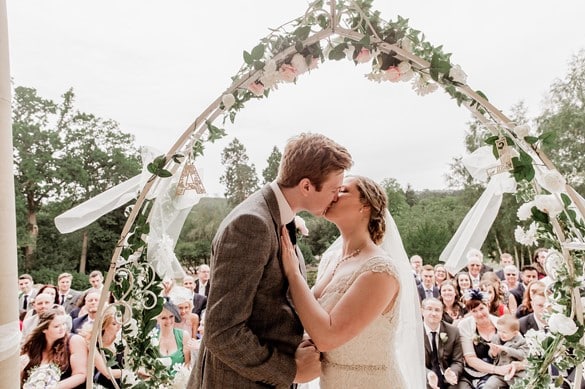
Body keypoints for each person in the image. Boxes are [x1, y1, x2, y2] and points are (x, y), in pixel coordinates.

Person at [189, 133, 352, 388]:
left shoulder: (280, 216)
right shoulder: (251, 224)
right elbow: (223, 332)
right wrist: (290, 371)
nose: (335, 197)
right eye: (333, 190)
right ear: (306, 186)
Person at [281, 175, 425, 387]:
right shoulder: (331, 260)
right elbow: (309, 317)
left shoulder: (380, 270)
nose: (333, 194)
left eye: (343, 190)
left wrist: (293, 274)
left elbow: (327, 337)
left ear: (365, 205)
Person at [20, 308, 87, 388]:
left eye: (64, 324)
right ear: (44, 329)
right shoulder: (35, 345)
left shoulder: (74, 341)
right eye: (56, 326)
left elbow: (81, 375)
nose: (62, 328)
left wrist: (52, 387)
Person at [421, 298, 464, 389]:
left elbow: (458, 361)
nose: (433, 313)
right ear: (422, 311)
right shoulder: (414, 333)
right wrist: (428, 374)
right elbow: (412, 363)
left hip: (449, 377)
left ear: (442, 313)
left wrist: (453, 373)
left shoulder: (453, 331)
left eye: (437, 310)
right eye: (429, 309)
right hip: (425, 377)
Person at [79, 306, 123, 388]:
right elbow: (107, 373)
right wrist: (131, 373)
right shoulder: (92, 343)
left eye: (120, 322)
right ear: (104, 325)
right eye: (114, 323)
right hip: (100, 384)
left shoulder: (122, 342)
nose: (119, 326)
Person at [484, 314, 528, 388]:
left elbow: (522, 355)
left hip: (516, 375)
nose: (501, 334)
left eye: (504, 332)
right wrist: (493, 353)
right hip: (500, 374)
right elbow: (491, 354)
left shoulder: (521, 341)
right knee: (489, 385)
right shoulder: (496, 338)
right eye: (499, 330)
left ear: (515, 333)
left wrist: (506, 349)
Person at [157, 302, 191, 372]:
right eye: (164, 318)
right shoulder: (151, 338)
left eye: (171, 316)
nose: (169, 321)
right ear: (157, 319)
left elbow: (188, 363)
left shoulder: (184, 336)